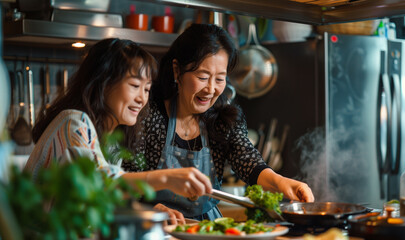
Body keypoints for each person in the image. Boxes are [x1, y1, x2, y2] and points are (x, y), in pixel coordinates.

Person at [122, 24, 314, 222]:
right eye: (202, 77)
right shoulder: (148, 116)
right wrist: (150, 208)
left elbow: (248, 161)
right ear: (177, 71)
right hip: (155, 224)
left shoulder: (224, 119)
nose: (211, 89)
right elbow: (127, 179)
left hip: (208, 226)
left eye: (220, 79)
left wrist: (282, 182)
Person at [24, 38, 213, 224]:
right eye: (134, 86)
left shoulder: (112, 141)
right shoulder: (73, 122)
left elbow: (102, 202)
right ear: (103, 84)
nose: (142, 98)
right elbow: (100, 181)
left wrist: (146, 211)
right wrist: (165, 177)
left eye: (146, 89)